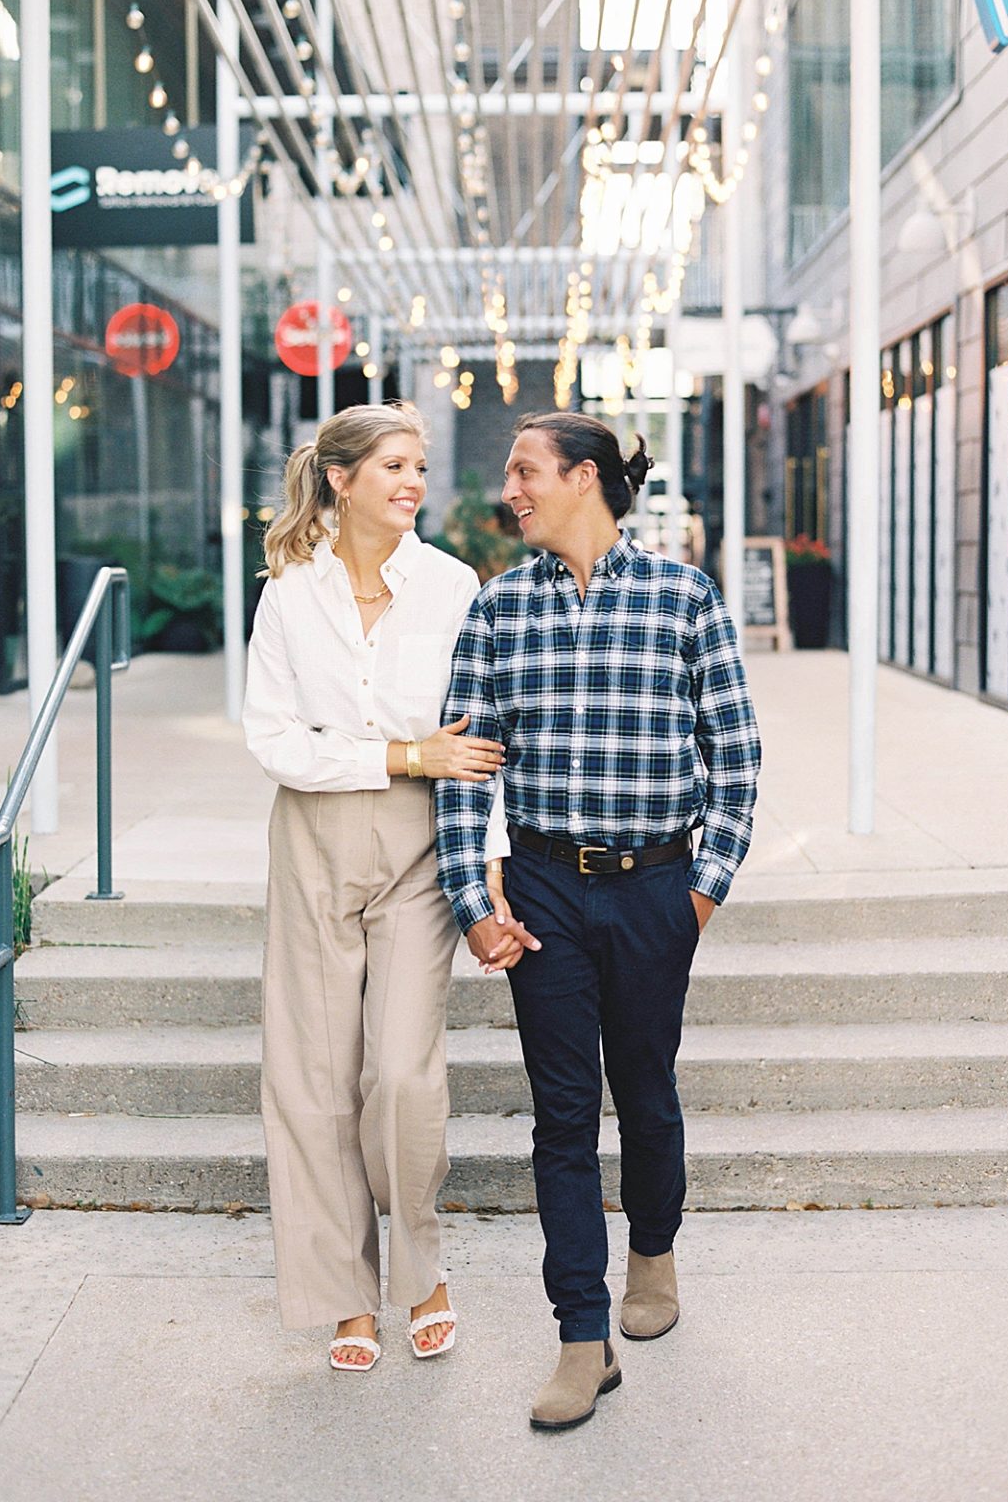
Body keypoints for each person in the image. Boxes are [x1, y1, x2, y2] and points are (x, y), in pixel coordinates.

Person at [435, 411, 761, 1429]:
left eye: (525, 470)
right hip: (543, 893)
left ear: (584, 477)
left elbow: (735, 757)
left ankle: (652, 1250)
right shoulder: (496, 612)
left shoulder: (682, 598)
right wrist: (469, 901)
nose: (510, 491)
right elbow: (460, 770)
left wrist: (699, 890)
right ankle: (582, 1335)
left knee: (645, 1090)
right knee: (563, 1115)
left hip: (656, 887)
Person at [243, 401, 508, 1372]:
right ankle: (344, 1294)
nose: (412, 482)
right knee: (312, 1081)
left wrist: (485, 870)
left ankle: (421, 1269)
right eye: (393, 465)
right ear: (341, 478)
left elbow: (475, 745)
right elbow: (272, 739)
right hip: (311, 838)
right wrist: (401, 750)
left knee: (398, 1073)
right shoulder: (287, 593)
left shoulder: (449, 586)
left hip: (415, 846)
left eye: (419, 466)